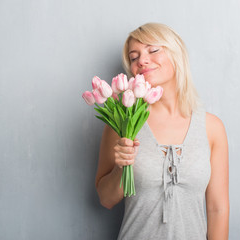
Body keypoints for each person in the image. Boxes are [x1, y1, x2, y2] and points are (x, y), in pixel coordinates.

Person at [95, 23, 229, 240]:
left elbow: (218, 208)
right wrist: (122, 168)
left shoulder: (212, 127)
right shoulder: (123, 124)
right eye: (134, 56)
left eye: (153, 50)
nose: (142, 60)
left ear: (176, 54)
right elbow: (105, 199)